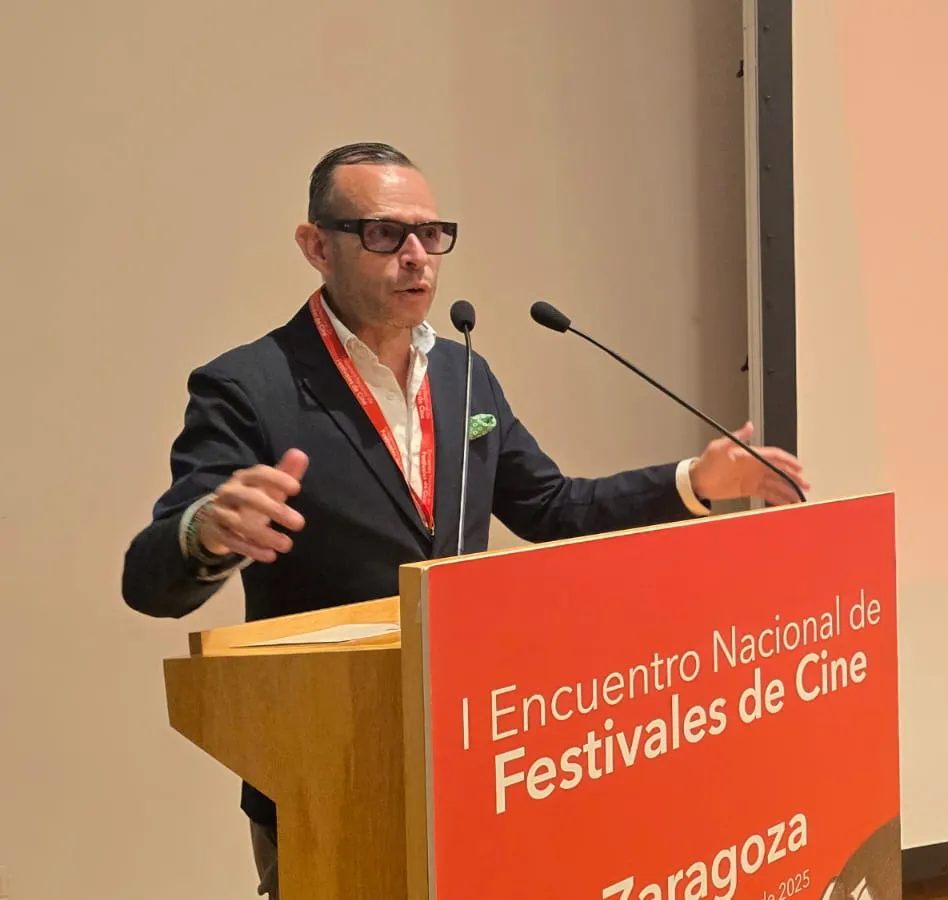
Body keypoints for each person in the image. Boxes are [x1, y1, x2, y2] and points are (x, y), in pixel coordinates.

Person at [119, 141, 809, 898]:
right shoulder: (248, 385)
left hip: (473, 752)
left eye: (431, 233)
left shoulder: (464, 374)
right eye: (385, 233)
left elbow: (551, 508)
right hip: (326, 765)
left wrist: (692, 483)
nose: (417, 255)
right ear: (316, 246)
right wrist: (206, 532)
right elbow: (148, 579)